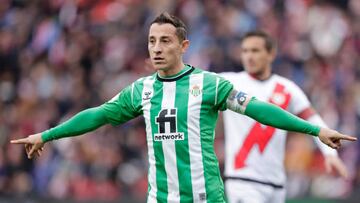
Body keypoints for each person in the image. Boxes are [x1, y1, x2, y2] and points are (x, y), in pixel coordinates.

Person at [11, 13, 356, 203]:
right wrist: (47, 134)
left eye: (165, 41)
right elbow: (98, 114)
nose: (156, 48)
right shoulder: (141, 90)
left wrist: (315, 130)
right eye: (151, 41)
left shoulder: (209, 85)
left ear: (184, 46)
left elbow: (258, 109)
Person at [219, 31, 350, 203]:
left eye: (255, 51)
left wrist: (329, 153)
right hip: (242, 182)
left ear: (271, 54)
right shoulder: (227, 83)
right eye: (245, 51)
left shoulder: (287, 88)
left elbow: (312, 118)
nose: (249, 56)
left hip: (277, 184)